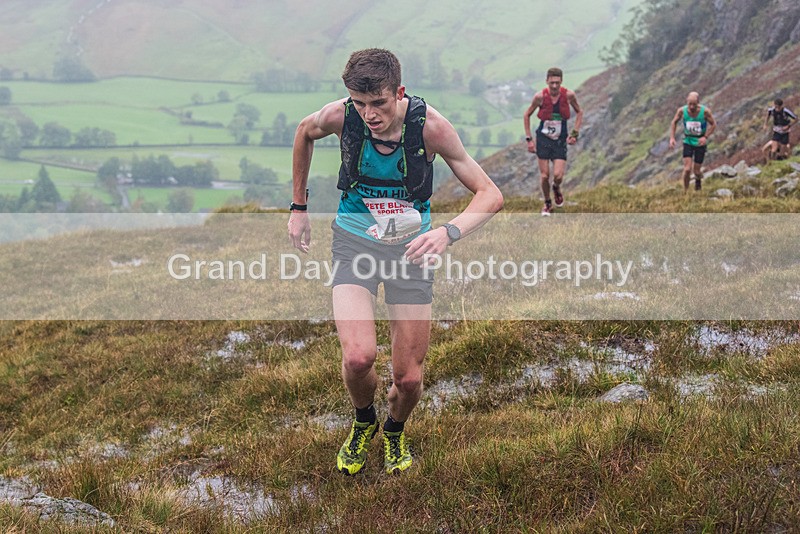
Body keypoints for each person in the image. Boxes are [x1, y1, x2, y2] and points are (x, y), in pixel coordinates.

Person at [288, 48, 503, 475]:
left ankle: (394, 429)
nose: (369, 114)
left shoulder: (431, 129)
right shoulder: (342, 115)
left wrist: (446, 232)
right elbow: (303, 131)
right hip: (355, 242)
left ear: (399, 92)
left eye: (379, 103)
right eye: (360, 103)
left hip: (412, 252)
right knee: (358, 358)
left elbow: (490, 194)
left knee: (408, 380)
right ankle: (363, 420)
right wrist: (298, 206)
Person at [523, 67, 583, 216]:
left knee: (558, 175)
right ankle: (547, 202)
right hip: (543, 138)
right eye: (552, 83)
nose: (555, 86)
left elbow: (579, 112)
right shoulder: (539, 97)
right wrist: (529, 139)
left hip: (560, 139)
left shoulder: (569, 95)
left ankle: (556, 187)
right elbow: (527, 115)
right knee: (544, 176)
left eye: (557, 83)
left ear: (561, 81)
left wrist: (575, 133)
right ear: (547, 82)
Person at [669, 92, 717, 191]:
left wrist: (705, 137)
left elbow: (713, 124)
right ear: (687, 102)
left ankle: (698, 182)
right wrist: (672, 138)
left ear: (698, 103)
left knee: (697, 171)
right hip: (688, 141)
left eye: (694, 104)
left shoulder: (705, 112)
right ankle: (685, 192)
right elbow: (674, 122)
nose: (691, 106)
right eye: (689, 104)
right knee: (687, 169)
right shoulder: (682, 111)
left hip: (700, 143)